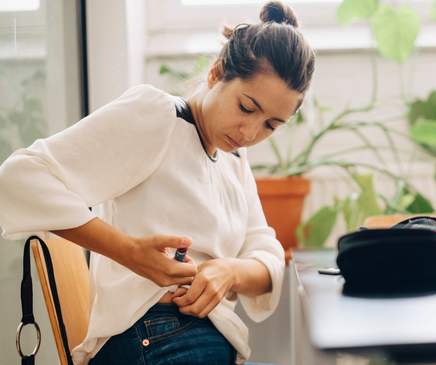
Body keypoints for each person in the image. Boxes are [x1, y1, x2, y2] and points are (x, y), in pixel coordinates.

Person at [0, 1, 315, 364]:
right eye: (246, 108)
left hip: (206, 339)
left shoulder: (233, 159)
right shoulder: (159, 116)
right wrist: (129, 252)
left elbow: (269, 259)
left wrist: (229, 272)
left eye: (271, 125)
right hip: (154, 336)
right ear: (216, 73)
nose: (250, 132)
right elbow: (18, 178)